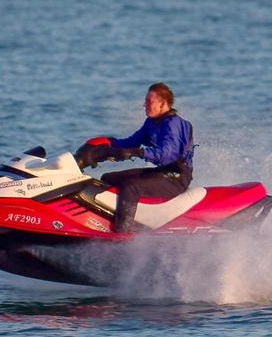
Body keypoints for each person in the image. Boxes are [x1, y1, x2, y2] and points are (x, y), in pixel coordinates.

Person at [77, 82, 195, 233]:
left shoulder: (173, 125)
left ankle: (123, 234)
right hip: (163, 173)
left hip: (176, 178)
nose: (144, 105)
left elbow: (166, 155)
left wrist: (138, 152)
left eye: (149, 102)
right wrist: (107, 144)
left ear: (163, 103)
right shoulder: (151, 122)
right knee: (108, 178)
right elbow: (131, 142)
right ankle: (103, 223)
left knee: (130, 187)